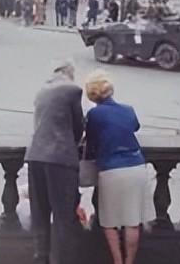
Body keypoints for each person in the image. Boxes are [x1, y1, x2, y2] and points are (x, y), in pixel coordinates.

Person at [24, 60, 84, 264]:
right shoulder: (72, 90)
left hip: (35, 156)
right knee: (63, 217)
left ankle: (40, 258)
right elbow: (78, 128)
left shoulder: (41, 91)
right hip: (60, 159)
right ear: (70, 74)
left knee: (40, 214)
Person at [84, 71, 146, 264]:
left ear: (92, 94)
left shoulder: (94, 114)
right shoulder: (128, 110)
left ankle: (118, 261)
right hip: (137, 166)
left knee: (110, 221)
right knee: (132, 221)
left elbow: (91, 143)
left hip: (112, 169)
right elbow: (135, 127)